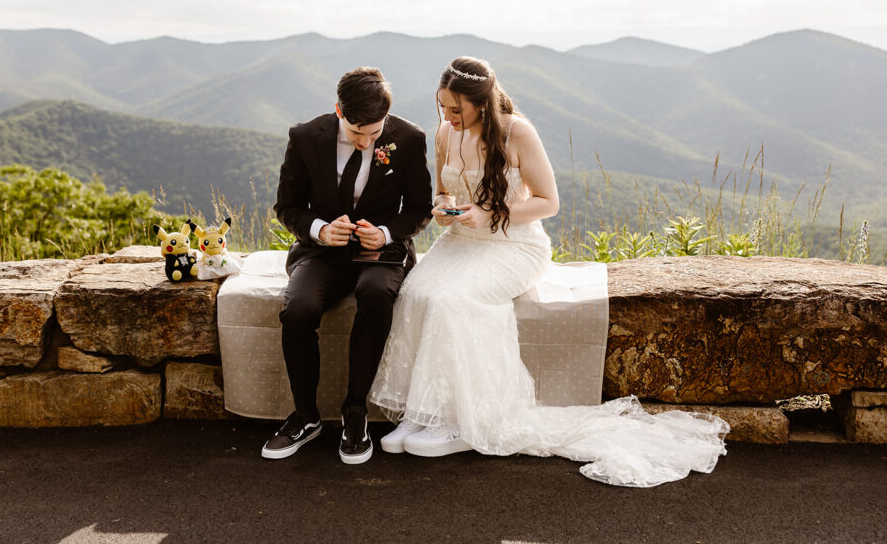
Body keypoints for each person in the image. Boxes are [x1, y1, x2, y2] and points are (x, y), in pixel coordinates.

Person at [368, 56, 729, 487]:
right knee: (416, 293)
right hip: (461, 242)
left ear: (482, 105)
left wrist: (491, 213)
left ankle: (463, 418)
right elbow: (445, 188)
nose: (447, 117)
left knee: (455, 299)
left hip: (513, 246)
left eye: (456, 109)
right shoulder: (447, 132)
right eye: (442, 107)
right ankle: (425, 411)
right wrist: (445, 209)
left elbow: (548, 203)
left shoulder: (518, 133)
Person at [265, 66, 433, 465]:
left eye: (375, 133)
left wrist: (387, 233)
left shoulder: (409, 139)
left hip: (381, 254)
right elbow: (286, 207)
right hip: (322, 253)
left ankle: (354, 411)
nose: (366, 141)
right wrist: (321, 230)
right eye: (359, 132)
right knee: (297, 309)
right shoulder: (305, 137)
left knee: (375, 295)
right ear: (338, 110)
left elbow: (419, 209)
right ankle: (305, 416)